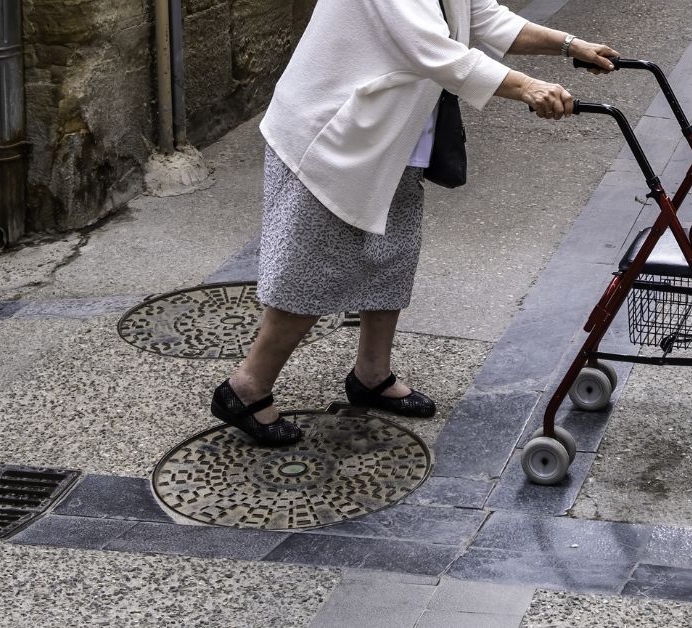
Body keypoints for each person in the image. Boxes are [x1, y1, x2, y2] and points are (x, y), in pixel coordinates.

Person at [210, 0, 620, 445]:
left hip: (391, 132)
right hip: (330, 132)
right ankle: (246, 387)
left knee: (392, 254)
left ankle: (372, 374)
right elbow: (434, 49)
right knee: (312, 269)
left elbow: (485, 17)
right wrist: (527, 87)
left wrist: (569, 45)